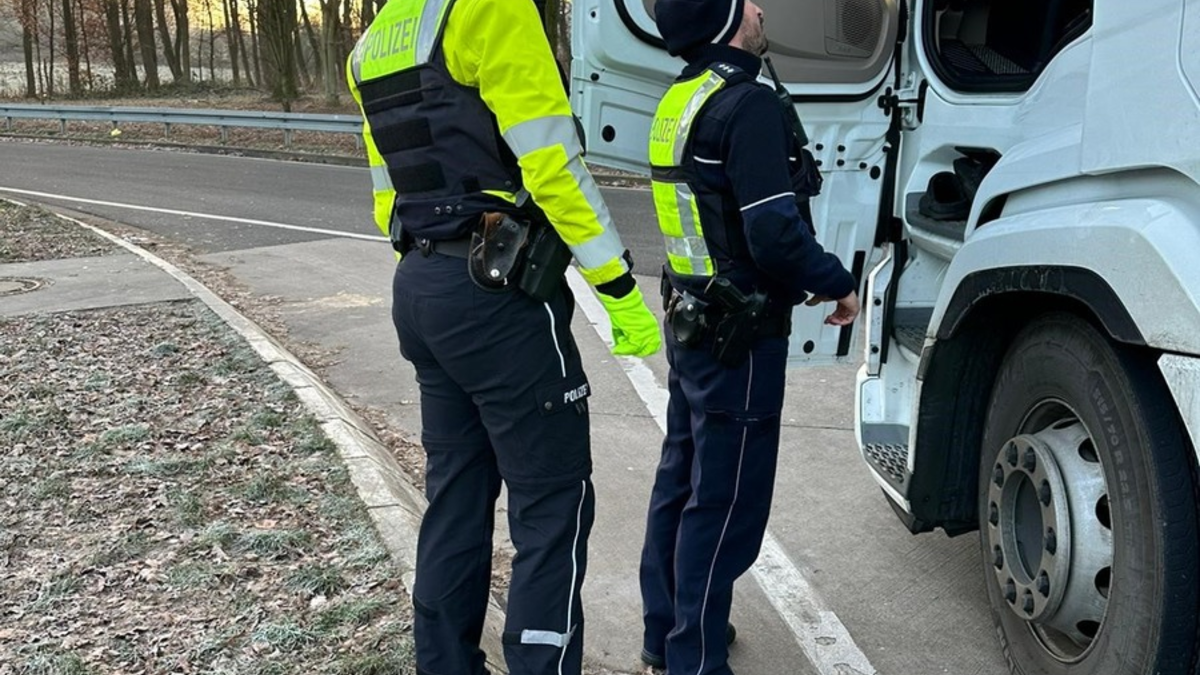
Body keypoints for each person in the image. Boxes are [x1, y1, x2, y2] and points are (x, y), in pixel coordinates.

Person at [346, 1, 662, 673]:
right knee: (553, 504)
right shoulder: (489, 7)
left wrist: (431, 267)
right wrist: (617, 284)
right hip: (497, 290)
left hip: (423, 280)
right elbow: (550, 162)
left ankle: (442, 663)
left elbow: (385, 193)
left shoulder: (375, 41)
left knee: (457, 493)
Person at [638, 0, 861, 673]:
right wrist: (837, 279)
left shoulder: (680, 99)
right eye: (749, 1)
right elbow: (773, 232)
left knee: (682, 475)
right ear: (728, 17)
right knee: (727, 497)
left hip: (693, 320)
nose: (762, 9)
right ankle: (695, 657)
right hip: (739, 332)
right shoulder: (748, 105)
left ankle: (667, 630)